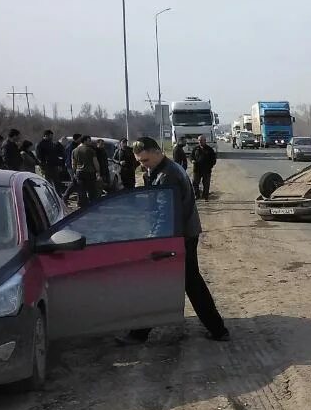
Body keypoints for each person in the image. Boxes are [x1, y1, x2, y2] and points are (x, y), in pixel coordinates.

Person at [123, 136, 229, 343]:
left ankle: (139, 333)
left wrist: (154, 240)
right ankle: (218, 330)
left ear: (156, 152)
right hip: (182, 234)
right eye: (139, 162)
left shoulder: (167, 175)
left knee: (162, 283)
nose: (142, 165)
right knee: (190, 283)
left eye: (144, 160)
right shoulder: (164, 169)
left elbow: (165, 214)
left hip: (176, 237)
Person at [71, 135, 102, 208]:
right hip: (89, 172)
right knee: (92, 190)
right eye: (89, 140)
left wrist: (74, 172)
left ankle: (82, 206)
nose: (90, 142)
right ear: (84, 141)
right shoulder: (90, 150)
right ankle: (92, 205)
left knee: (81, 190)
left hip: (79, 172)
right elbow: (95, 162)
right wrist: (98, 171)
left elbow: (73, 163)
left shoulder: (74, 150)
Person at [190, 134, 217, 200]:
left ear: (205, 141)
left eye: (201, 140)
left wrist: (210, 166)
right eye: (199, 140)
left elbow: (213, 159)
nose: (200, 142)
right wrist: (192, 160)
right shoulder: (196, 149)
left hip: (206, 170)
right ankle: (197, 195)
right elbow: (191, 156)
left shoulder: (209, 149)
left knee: (206, 184)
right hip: (197, 169)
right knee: (195, 183)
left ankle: (205, 196)